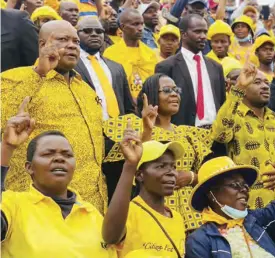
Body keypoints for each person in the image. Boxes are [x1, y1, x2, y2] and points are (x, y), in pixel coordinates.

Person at [1, 20, 107, 212]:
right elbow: (4, 124)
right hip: (37, 206)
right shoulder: (13, 78)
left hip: (90, 205)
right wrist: (40, 73)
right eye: (63, 39)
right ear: (42, 45)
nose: (72, 45)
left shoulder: (86, 90)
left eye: (75, 41)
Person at [1, 101, 117, 257]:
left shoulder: (92, 214)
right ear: (29, 167)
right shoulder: (13, 205)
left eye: (67, 155)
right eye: (48, 154)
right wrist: (7, 147)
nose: (59, 158)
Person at [211, 61, 275, 256]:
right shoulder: (234, 118)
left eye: (266, 83)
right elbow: (219, 135)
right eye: (257, 82)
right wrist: (238, 89)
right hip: (251, 214)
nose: (264, 86)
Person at [185, 125, 275, 258]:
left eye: (245, 185)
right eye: (235, 185)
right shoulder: (199, 241)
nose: (244, 190)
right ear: (211, 194)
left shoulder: (257, 221)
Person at [103, 74, 214, 232]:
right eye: (167, 90)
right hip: (154, 208)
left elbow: (209, 175)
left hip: (192, 215)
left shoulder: (186, 133)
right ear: (150, 95)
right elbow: (137, 166)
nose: (174, 94)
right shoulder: (134, 126)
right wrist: (147, 129)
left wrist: (190, 177)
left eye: (176, 90)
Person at [102, 126, 186, 257]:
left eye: (173, 166)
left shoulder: (178, 219)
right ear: (140, 175)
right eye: (161, 166)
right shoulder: (127, 213)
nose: (171, 173)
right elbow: (110, 236)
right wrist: (130, 165)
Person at [156, 14, 226, 127]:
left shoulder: (216, 67)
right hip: (182, 134)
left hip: (215, 135)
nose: (203, 36)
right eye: (198, 32)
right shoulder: (167, 66)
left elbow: (222, 103)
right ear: (183, 34)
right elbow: (162, 105)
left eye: (205, 32)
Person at [75, 16, 134, 119]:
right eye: (87, 31)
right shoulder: (70, 66)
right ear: (76, 36)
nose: (94, 34)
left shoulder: (117, 68)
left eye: (99, 31)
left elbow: (128, 106)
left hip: (117, 131)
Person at [103, 9, 158, 99]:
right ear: (123, 27)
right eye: (135, 24)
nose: (140, 28)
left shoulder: (150, 53)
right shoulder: (110, 53)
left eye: (141, 24)